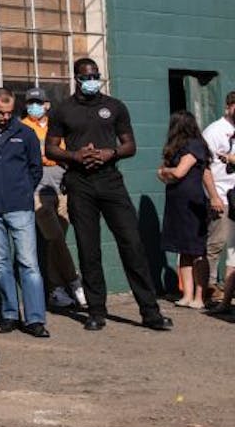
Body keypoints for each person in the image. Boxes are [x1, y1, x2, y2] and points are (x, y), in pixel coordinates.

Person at [45, 58, 172, 332]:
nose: (92, 80)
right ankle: (96, 312)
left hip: (111, 182)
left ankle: (150, 312)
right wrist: (75, 156)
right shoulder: (63, 110)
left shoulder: (114, 107)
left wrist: (109, 153)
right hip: (79, 183)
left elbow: (130, 145)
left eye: (96, 76)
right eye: (86, 77)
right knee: (88, 250)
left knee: (132, 245)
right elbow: (51, 149)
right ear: (76, 78)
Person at [0, 89, 48, 337]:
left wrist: (24, 191)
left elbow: (35, 168)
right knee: (0, 264)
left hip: (20, 207)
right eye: (0, 112)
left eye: (9, 112)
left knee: (28, 263)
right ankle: (9, 315)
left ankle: (35, 319)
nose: (6, 117)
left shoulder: (25, 134)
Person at [20, 88, 85, 309]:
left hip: (61, 186)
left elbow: (64, 153)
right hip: (38, 189)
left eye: (38, 102)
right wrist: (52, 156)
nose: (34, 106)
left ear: (47, 104)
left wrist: (56, 157)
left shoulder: (56, 126)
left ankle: (56, 290)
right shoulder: (23, 127)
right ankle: (75, 281)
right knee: (54, 236)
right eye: (30, 102)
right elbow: (40, 156)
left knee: (55, 241)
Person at [156, 111, 219, 309]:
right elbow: (165, 174)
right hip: (177, 203)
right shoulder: (177, 148)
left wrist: (166, 171)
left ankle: (200, 297)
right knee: (184, 250)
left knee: (197, 250)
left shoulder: (194, 145)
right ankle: (187, 294)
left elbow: (179, 172)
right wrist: (167, 172)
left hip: (192, 203)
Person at [200, 92, 235, 309]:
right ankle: (209, 288)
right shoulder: (214, 131)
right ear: (229, 106)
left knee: (233, 249)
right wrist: (213, 196)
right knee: (216, 244)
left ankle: (227, 292)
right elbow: (204, 167)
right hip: (221, 196)